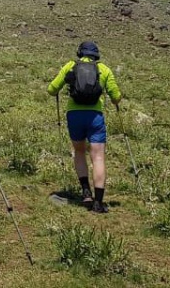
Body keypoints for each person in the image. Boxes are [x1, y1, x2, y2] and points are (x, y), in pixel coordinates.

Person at [47, 40, 123, 214]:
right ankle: (98, 202)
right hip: (95, 116)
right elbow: (116, 96)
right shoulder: (104, 69)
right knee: (97, 157)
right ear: (96, 54)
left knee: (79, 151)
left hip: (74, 115)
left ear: (80, 53)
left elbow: (51, 89)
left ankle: (85, 192)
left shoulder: (70, 66)